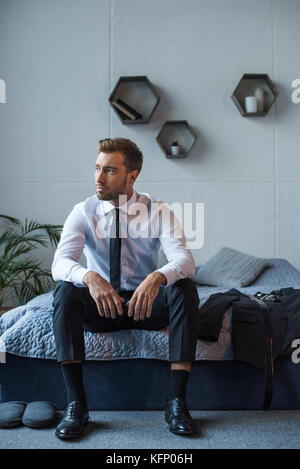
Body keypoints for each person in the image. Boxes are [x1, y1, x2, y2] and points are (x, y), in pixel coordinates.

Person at [51, 137, 200, 440]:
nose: (98, 178)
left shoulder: (157, 210)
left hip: (144, 306)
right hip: (102, 307)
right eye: (97, 169)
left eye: (110, 171)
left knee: (184, 287)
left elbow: (185, 260)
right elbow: (60, 263)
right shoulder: (83, 211)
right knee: (64, 290)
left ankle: (176, 403)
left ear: (132, 176)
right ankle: (76, 405)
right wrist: (90, 277)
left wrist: (158, 277)